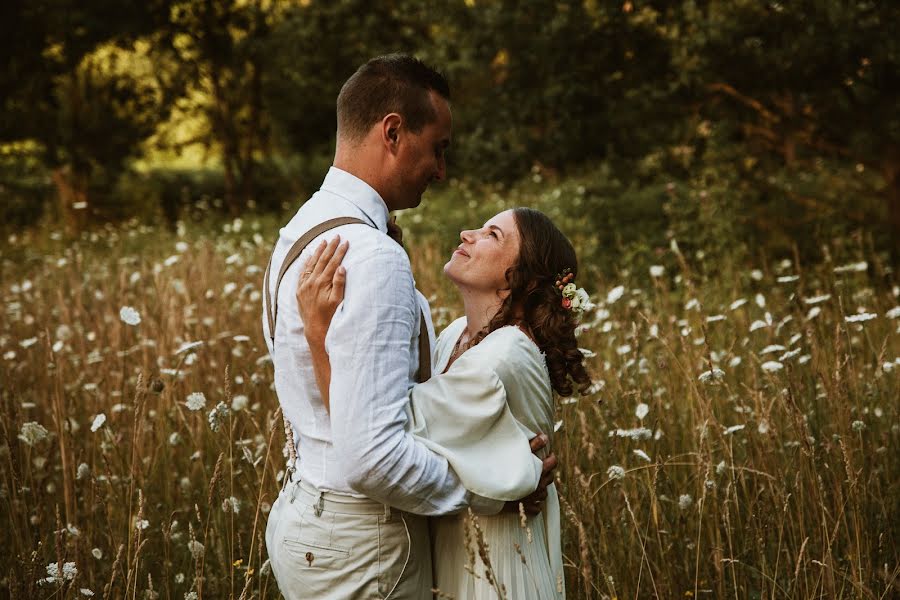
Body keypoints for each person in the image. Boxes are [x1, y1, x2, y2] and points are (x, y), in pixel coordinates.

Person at [261, 54, 555, 599]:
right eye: (438, 148)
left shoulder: (303, 228)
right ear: (393, 132)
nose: (441, 171)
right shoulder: (373, 256)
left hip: (308, 510)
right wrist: (490, 493)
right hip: (363, 545)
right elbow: (372, 457)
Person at [297, 207, 592, 598]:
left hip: (496, 564)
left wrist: (318, 334)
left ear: (521, 278)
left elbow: (374, 430)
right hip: (459, 542)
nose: (467, 232)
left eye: (492, 235)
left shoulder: (501, 358)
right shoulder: (459, 335)